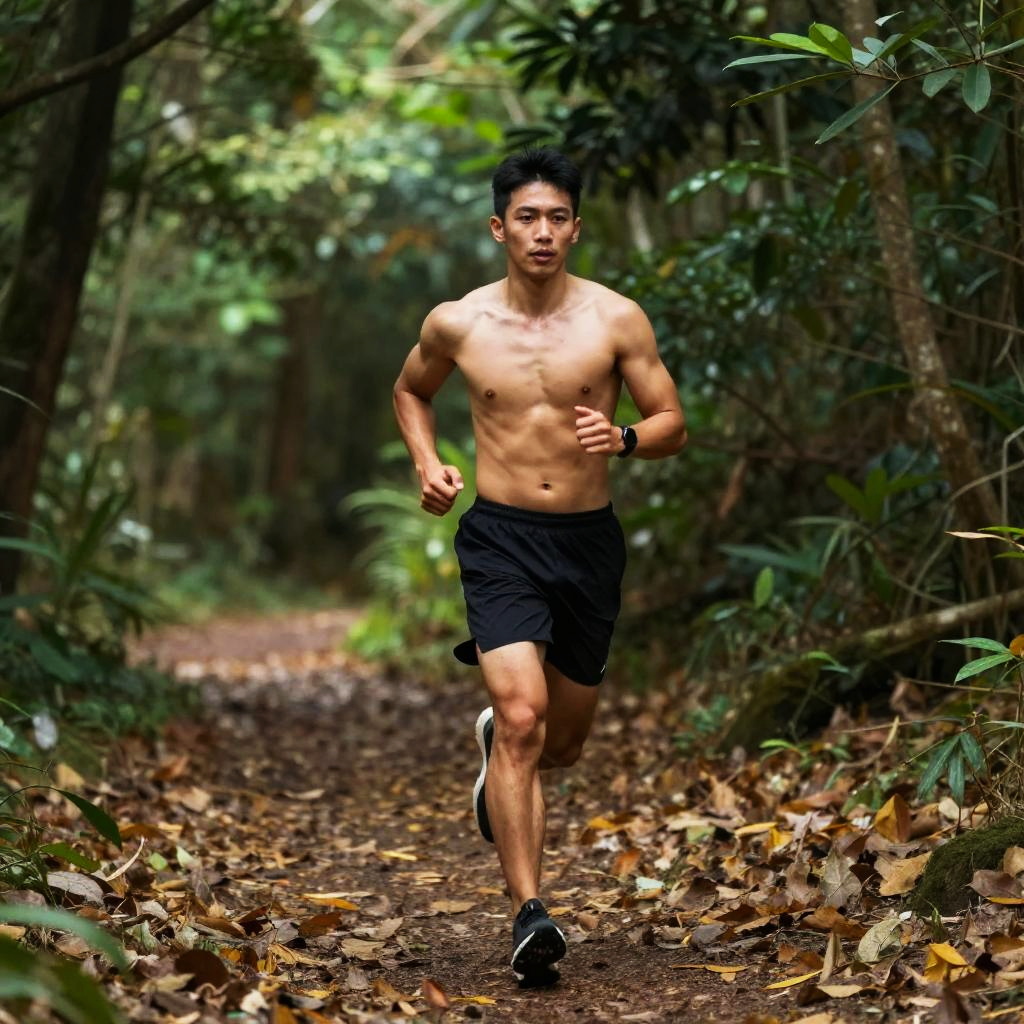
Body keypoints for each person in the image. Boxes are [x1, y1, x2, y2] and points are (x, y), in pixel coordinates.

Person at [392, 147, 686, 984]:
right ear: (499, 228)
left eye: (558, 217)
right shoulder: (459, 323)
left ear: (576, 228)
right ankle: (530, 915)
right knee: (523, 719)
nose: (544, 232)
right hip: (500, 541)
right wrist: (427, 462)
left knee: (561, 744)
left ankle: (499, 749)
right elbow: (411, 390)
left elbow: (671, 421)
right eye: (528, 217)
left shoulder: (616, 321)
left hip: (588, 544)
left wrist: (625, 436)